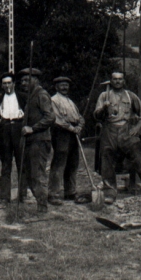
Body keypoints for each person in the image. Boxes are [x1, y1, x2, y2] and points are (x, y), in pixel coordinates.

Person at [94, 70, 141, 204]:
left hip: (126, 130)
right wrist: (104, 108)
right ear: (111, 81)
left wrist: (137, 127)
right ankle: (110, 192)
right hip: (109, 130)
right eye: (115, 79)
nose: (117, 81)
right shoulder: (104, 96)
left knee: (139, 157)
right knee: (107, 161)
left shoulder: (130, 96)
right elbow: (96, 116)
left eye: (120, 79)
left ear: (124, 81)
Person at [16, 67, 55, 216]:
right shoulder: (31, 96)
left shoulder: (41, 94)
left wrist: (33, 128)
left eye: (27, 80)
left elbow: (50, 117)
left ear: (36, 80)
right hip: (31, 141)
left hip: (39, 141)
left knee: (37, 174)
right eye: (22, 81)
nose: (23, 83)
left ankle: (42, 207)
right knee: (30, 174)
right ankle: (40, 204)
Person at [0, 73, 25, 205]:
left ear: (14, 83)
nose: (7, 85)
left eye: (9, 82)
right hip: (4, 132)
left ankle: (22, 195)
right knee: (5, 165)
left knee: (22, 164)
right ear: (1, 85)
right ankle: (4, 197)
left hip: (19, 130)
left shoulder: (22, 97)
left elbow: (30, 115)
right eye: (4, 83)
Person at [49, 75, 84, 205]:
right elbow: (57, 119)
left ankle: (70, 192)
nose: (65, 87)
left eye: (66, 85)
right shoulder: (54, 100)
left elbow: (79, 117)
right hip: (61, 134)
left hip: (73, 133)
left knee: (73, 163)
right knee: (59, 163)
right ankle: (53, 194)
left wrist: (80, 126)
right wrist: (72, 128)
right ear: (56, 87)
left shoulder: (70, 102)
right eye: (62, 85)